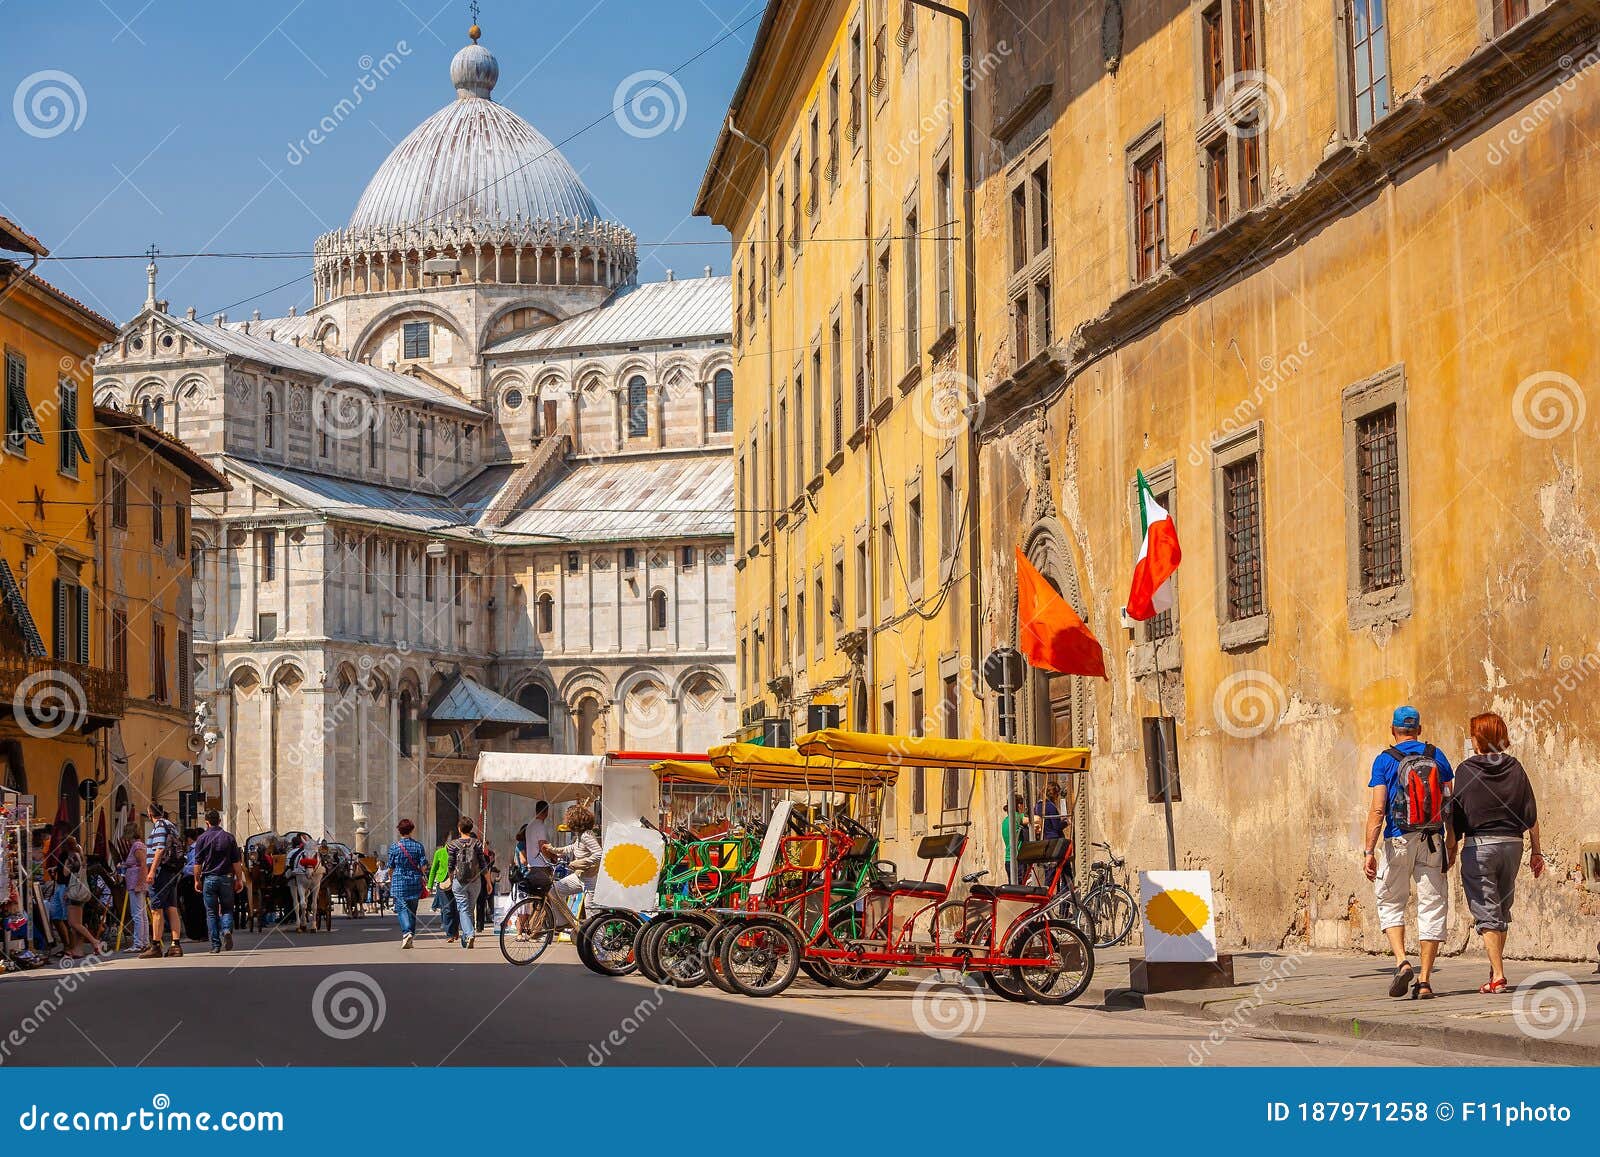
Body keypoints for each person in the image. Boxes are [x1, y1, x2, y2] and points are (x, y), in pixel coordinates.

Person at [1448, 712, 1544, 994]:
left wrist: (1451, 849)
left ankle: (1498, 975)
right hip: (1512, 845)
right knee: (1501, 909)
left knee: (1487, 911)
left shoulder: (1465, 769)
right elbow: (1531, 813)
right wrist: (1536, 851)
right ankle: (1495, 969)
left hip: (1480, 847)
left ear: (1479, 738)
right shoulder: (1515, 767)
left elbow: (1456, 814)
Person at [1362, 705, 1453, 999]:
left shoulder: (1385, 761)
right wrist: (1451, 842)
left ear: (1393, 730)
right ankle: (1425, 981)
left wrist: (1368, 851)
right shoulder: (1436, 756)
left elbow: (1378, 809)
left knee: (1390, 901)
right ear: (1420, 730)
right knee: (1432, 905)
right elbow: (1450, 803)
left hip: (1398, 840)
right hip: (1432, 839)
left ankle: (1402, 961)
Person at [190, 810, 243, 954]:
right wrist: (239, 879)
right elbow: (236, 862)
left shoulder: (202, 839)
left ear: (207, 823)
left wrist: (196, 880)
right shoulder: (229, 838)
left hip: (209, 879)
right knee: (227, 909)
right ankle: (226, 929)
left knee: (211, 912)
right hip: (226, 878)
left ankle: (215, 945)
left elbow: (197, 863)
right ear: (220, 821)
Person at [140, 804, 185, 959]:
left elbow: (159, 849)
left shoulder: (159, 826)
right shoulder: (171, 826)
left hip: (161, 872)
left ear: (150, 814)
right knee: (172, 907)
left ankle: (155, 946)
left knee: (156, 909)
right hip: (172, 871)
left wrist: (152, 871)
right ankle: (175, 945)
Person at [545, 803, 602, 924]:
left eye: (568, 818)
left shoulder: (586, 836)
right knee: (554, 891)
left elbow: (599, 853)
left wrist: (581, 862)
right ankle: (564, 921)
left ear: (575, 819)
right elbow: (573, 848)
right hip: (579, 877)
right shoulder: (580, 835)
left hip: (590, 879)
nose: (566, 820)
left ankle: (598, 942)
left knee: (591, 913)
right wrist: (554, 850)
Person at [57, 836, 103, 958]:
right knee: (78, 924)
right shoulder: (81, 856)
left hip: (75, 893)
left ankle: (95, 942)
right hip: (82, 892)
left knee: (74, 924)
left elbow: (66, 873)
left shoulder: (71, 858)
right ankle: (78, 950)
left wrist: (65, 864)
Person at [445, 817, 487, 948]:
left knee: (463, 909)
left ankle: (469, 934)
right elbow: (483, 864)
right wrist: (489, 882)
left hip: (459, 881)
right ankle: (466, 938)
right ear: (471, 828)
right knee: (469, 909)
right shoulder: (478, 844)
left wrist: (451, 879)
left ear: (459, 828)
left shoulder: (452, 845)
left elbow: (451, 865)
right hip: (475, 881)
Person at [386, 819, 428, 949]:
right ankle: (411, 936)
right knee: (412, 911)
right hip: (415, 881)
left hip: (399, 882)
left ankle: (407, 933)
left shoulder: (394, 847)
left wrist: (391, 877)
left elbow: (390, 867)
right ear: (412, 830)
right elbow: (424, 866)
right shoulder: (418, 846)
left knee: (401, 908)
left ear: (399, 831)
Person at [121, 826, 149, 953]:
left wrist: (139, 883)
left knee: (137, 914)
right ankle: (144, 942)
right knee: (142, 914)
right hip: (137, 883)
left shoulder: (137, 846)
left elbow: (143, 864)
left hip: (135, 884)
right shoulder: (140, 845)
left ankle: (138, 943)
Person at [428, 840, 458, 941]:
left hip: (457, 882)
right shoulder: (439, 853)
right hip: (443, 883)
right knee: (447, 909)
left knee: (457, 909)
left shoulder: (459, 851)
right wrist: (429, 885)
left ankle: (455, 930)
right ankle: (449, 934)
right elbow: (433, 869)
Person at [1000, 793, 1027, 883]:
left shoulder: (1005, 821)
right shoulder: (1016, 816)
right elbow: (1035, 819)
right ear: (1019, 805)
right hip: (1017, 860)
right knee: (1019, 891)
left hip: (1008, 860)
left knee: (1012, 891)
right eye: (1023, 805)